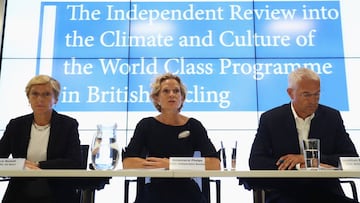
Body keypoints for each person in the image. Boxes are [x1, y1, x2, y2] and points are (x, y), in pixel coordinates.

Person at [247, 67, 359, 203]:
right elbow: (256, 162)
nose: (313, 101)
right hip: (286, 192)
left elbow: (351, 159)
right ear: (290, 93)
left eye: (317, 94)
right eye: (306, 95)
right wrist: (297, 167)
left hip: (326, 191)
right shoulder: (271, 119)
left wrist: (308, 160)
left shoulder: (331, 117)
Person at [122, 73, 221, 203]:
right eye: (166, 91)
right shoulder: (146, 125)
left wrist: (171, 164)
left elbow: (214, 164)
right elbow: (128, 163)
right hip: (155, 191)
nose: (172, 95)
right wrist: (161, 166)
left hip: (187, 191)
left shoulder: (193, 125)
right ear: (156, 98)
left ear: (182, 98)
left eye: (176, 91)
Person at [0, 75, 83, 203]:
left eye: (46, 94)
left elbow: (75, 162)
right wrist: (20, 165)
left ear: (55, 99)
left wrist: (38, 165)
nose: (40, 99)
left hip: (58, 193)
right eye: (35, 94)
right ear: (28, 98)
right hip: (19, 193)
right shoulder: (16, 125)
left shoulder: (68, 125)